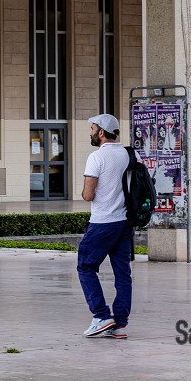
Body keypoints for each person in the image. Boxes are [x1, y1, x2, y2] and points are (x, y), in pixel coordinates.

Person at [78, 113, 133, 339]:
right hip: (124, 222)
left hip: (102, 223)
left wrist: (84, 190)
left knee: (85, 266)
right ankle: (119, 324)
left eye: (92, 129)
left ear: (101, 132)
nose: (90, 133)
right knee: (123, 274)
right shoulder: (129, 154)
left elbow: (88, 194)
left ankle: (101, 316)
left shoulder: (96, 157)